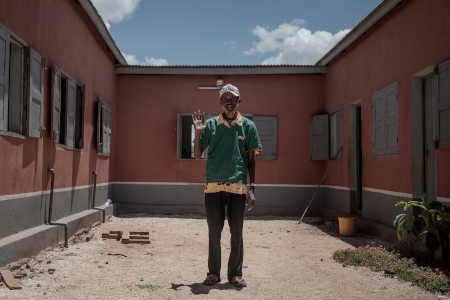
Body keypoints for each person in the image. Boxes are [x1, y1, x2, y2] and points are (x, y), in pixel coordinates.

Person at [192, 84, 262, 288]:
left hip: (238, 186)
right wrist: (197, 133)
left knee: (236, 232)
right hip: (213, 185)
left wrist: (252, 187)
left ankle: (235, 274)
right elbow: (197, 155)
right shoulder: (211, 125)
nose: (229, 102)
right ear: (220, 102)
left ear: (239, 101)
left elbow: (251, 160)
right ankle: (213, 273)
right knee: (214, 231)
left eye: (233, 98)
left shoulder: (248, 126)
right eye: (225, 99)